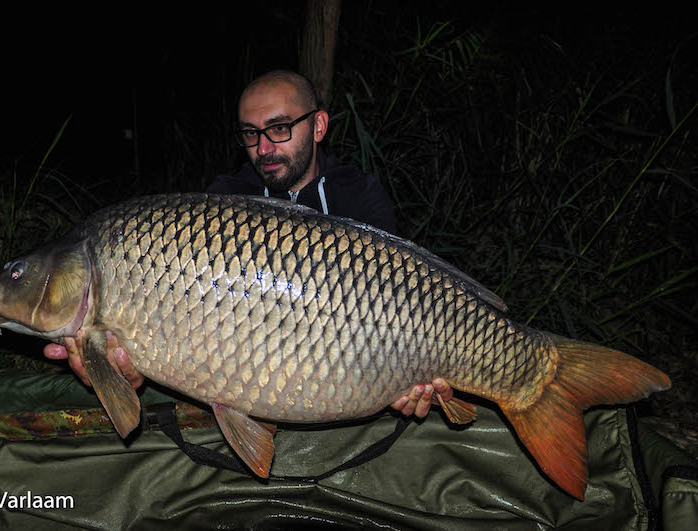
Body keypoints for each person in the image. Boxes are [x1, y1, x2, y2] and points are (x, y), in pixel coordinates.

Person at [44, 70, 453, 419]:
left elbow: (403, 307)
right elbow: (188, 330)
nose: (264, 147)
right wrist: (128, 370)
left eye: (279, 128)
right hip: (258, 378)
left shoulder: (359, 196)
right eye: (250, 134)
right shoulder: (221, 202)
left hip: (356, 363)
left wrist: (407, 384)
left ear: (319, 126)